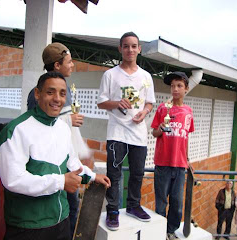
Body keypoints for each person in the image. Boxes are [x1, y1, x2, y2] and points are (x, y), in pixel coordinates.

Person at [0, 72, 110, 240]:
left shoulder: (63, 128)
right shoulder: (16, 130)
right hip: (28, 226)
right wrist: (61, 181)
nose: (57, 98)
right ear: (37, 94)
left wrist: (93, 177)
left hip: (61, 221)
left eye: (62, 93)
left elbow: (72, 164)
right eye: (50, 92)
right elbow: (13, 180)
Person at [27, 42, 90, 238]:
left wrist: (83, 153)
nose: (72, 65)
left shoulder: (65, 89)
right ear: (57, 65)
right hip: (53, 165)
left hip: (67, 162)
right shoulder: (37, 93)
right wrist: (67, 120)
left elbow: (68, 133)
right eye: (69, 62)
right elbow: (36, 127)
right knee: (64, 211)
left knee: (69, 209)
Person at [97, 32, 156, 231]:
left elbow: (149, 103)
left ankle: (133, 205)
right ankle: (113, 210)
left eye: (134, 46)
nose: (130, 50)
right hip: (117, 132)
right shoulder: (110, 74)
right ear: (120, 49)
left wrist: (144, 113)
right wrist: (116, 103)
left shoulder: (146, 76)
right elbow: (101, 102)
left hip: (138, 132)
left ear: (139, 49)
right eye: (126, 46)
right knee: (114, 173)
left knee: (138, 172)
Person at [151, 72, 194, 240]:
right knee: (161, 202)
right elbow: (155, 132)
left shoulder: (188, 112)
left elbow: (186, 137)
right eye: (173, 86)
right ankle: (159, 232)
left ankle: (171, 231)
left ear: (186, 89)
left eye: (179, 86)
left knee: (177, 203)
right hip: (163, 163)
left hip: (180, 165)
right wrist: (161, 128)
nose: (175, 89)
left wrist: (187, 159)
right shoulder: (163, 108)